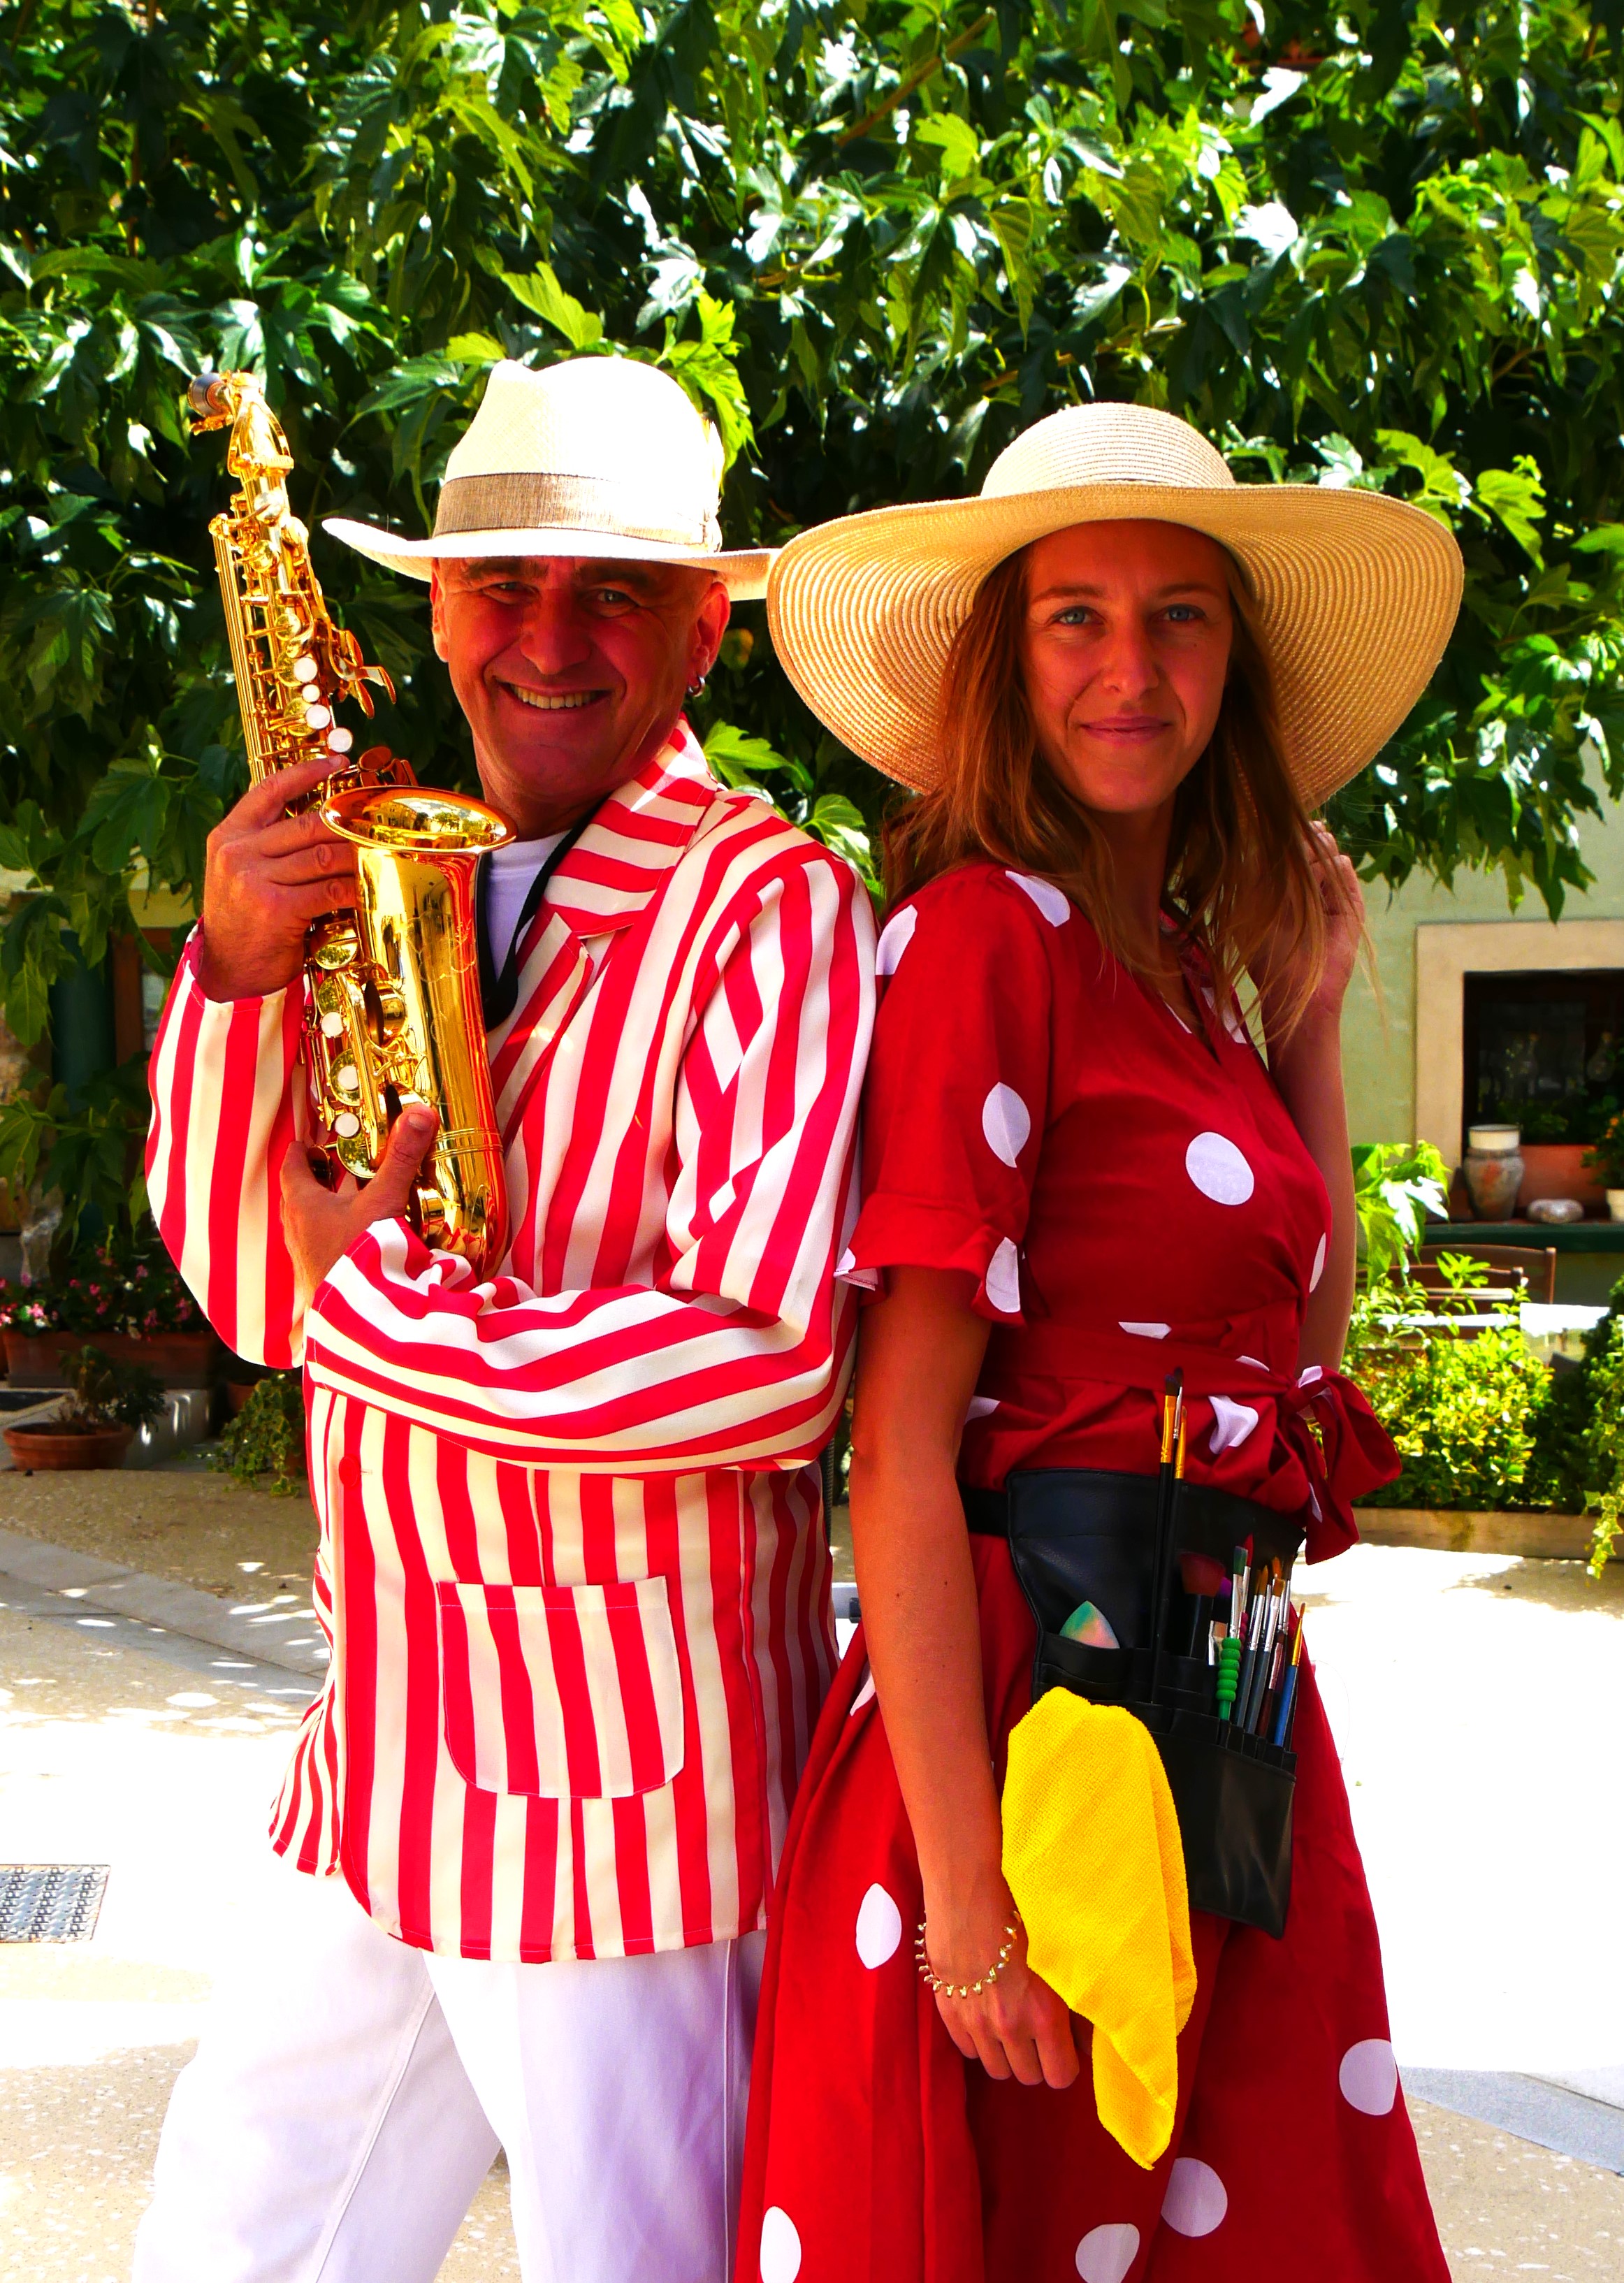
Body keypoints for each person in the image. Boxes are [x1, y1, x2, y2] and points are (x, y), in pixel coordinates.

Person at [134, 355, 875, 2283]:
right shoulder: (392, 861)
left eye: (612, 588)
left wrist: (374, 1302)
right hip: (387, 1749)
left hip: (631, 1793)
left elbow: (768, 1355)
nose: (547, 637)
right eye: (501, 584)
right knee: (227, 2241)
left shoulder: (770, 901)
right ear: (432, 609)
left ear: (708, 623)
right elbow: (246, 1286)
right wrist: (230, 970)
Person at [735, 401, 1461, 2281]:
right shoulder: (986, 934)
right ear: (1001, 660)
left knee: (1238, 2212)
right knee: (1050, 2210)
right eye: (1073, 615)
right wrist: (963, 1910)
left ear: (1234, 659)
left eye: (1179, 617)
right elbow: (894, 1448)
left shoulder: (1190, 971)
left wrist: (1299, 998)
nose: (1127, 667)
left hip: (1209, 1680)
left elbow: (1288, 1342)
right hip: (1027, 1698)